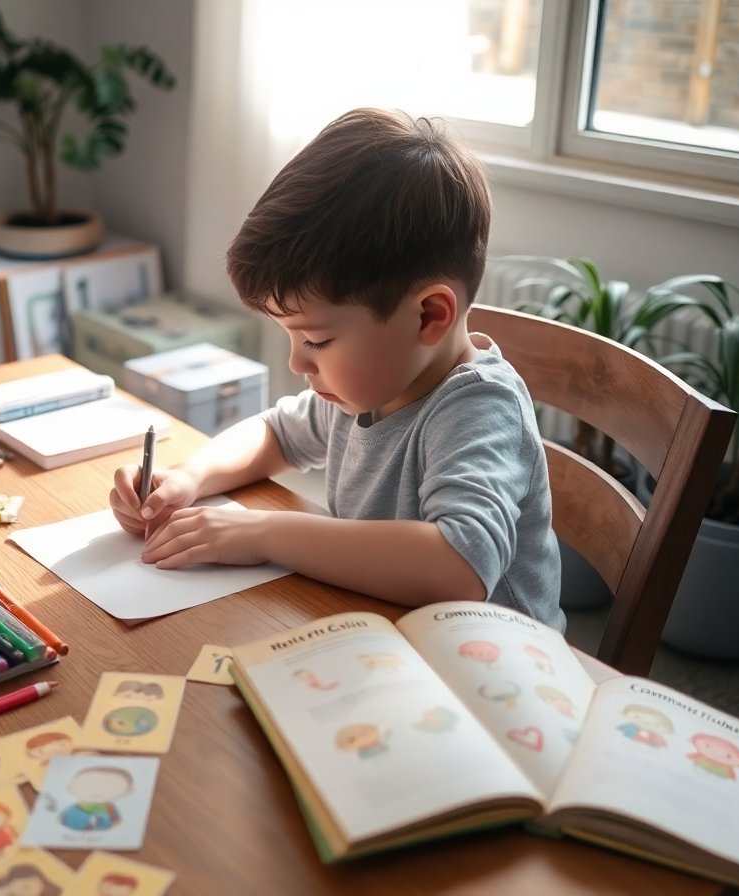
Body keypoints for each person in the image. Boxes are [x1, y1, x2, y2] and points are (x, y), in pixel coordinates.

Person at [110, 107, 562, 628]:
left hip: (496, 671)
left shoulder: (480, 408)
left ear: (429, 316)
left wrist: (262, 533)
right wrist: (189, 478)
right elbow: (275, 434)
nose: (296, 360)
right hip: (389, 639)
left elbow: (458, 566)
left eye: (317, 339)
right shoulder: (369, 388)